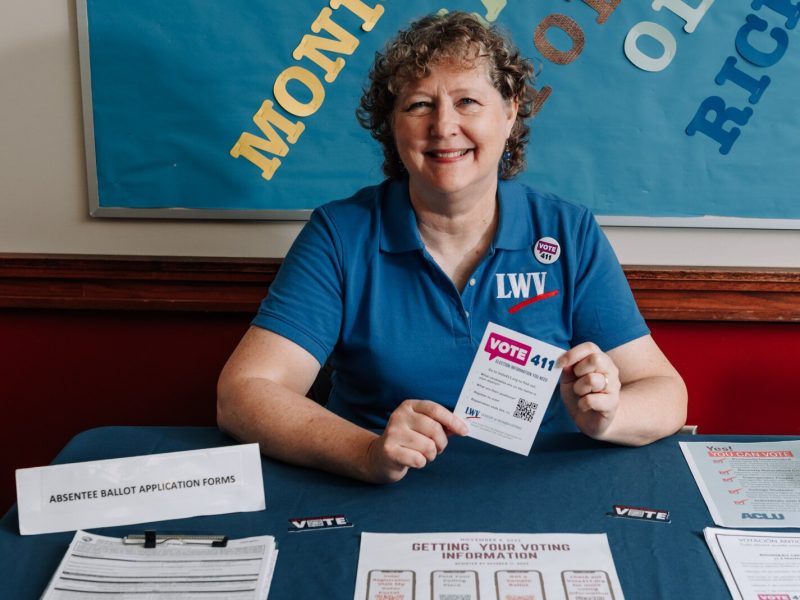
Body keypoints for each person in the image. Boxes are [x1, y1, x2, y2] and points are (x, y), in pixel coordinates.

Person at [217, 11, 687, 484]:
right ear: (392, 126)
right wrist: (367, 452)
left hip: (544, 483)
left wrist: (608, 416)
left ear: (509, 111)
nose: (443, 126)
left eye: (467, 101)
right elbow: (244, 394)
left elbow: (666, 393)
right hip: (377, 493)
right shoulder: (340, 233)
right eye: (419, 105)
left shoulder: (567, 231)